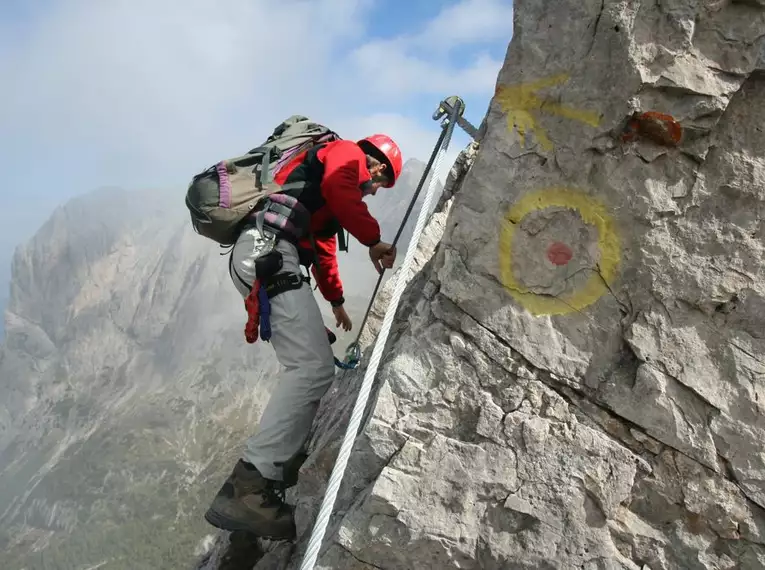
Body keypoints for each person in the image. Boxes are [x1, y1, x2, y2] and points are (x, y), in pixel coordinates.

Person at [204, 133, 403, 540]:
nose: (373, 191)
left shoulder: (322, 189)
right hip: (268, 253)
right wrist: (374, 238)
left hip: (268, 254)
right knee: (311, 367)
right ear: (378, 167)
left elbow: (325, 247)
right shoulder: (346, 154)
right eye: (380, 185)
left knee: (312, 365)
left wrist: (337, 303)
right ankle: (249, 486)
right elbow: (340, 189)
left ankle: (274, 469)